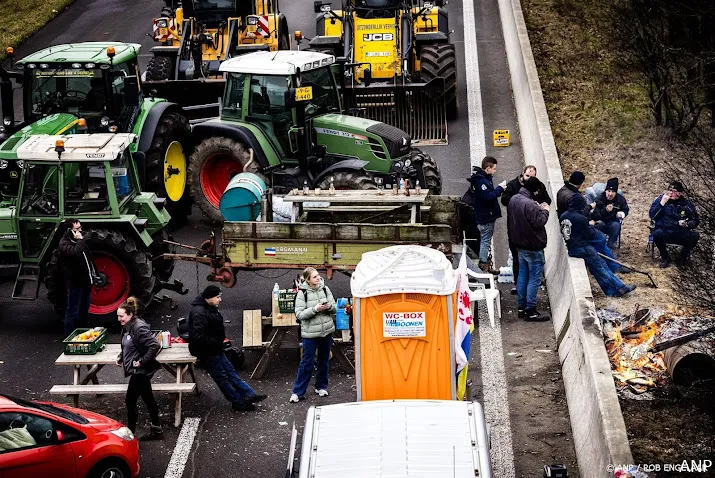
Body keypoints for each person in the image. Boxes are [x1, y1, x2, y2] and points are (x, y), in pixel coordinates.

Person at [189, 285, 267, 411]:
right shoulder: (200, 313)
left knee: (230, 372)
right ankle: (238, 402)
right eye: (217, 297)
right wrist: (215, 341)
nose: (220, 300)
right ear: (209, 298)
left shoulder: (208, 308)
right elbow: (199, 337)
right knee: (222, 377)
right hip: (208, 351)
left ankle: (249, 394)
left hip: (215, 348)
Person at [560, 195, 636, 297]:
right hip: (583, 248)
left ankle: (610, 291)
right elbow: (590, 234)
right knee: (601, 267)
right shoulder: (580, 218)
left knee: (596, 270)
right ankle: (620, 287)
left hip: (572, 248)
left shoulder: (563, 216)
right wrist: (591, 226)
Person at [116, 297, 163, 440]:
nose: (119, 319)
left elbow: (155, 345)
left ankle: (130, 434)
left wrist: (141, 362)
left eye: (121, 316)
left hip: (141, 371)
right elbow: (128, 345)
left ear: (130, 315)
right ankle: (157, 429)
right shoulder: (128, 326)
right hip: (139, 371)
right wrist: (121, 356)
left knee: (130, 401)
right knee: (148, 398)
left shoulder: (138, 328)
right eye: (117, 316)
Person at [501, 165, 552, 294]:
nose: (529, 178)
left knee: (526, 264)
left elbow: (547, 200)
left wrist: (539, 205)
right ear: (522, 174)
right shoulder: (514, 186)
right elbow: (505, 199)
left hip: (528, 231)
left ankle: (522, 289)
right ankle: (520, 286)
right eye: (527, 176)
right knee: (519, 259)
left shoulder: (538, 187)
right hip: (517, 227)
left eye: (532, 176)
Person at [289, 267, 336, 403]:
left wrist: (329, 307)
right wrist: (315, 309)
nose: (318, 279)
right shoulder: (302, 293)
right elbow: (299, 315)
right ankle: (298, 392)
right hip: (310, 334)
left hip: (326, 331)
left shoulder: (325, 289)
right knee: (307, 362)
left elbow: (334, 306)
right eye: (314, 277)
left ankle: (321, 386)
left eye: (318, 276)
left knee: (324, 360)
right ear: (308, 280)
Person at [507, 176, 550, 321]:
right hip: (532, 246)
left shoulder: (514, 199)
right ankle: (530, 309)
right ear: (535, 190)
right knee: (534, 278)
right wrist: (545, 210)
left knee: (522, 276)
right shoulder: (530, 205)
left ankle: (521, 306)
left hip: (519, 245)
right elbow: (539, 222)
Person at [468, 156, 507, 274]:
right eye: (494, 168)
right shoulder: (481, 182)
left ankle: (485, 265)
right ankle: (484, 265)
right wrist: (500, 188)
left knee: (484, 240)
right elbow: (488, 196)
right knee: (485, 241)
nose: (495, 171)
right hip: (486, 217)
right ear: (487, 168)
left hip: (483, 216)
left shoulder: (482, 179)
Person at [58, 219, 97, 336]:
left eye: (80, 228)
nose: (80, 231)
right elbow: (75, 253)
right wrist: (80, 240)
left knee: (83, 310)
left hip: (85, 282)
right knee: (73, 310)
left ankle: (82, 332)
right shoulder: (64, 244)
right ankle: (69, 336)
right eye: (77, 229)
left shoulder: (79, 241)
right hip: (75, 283)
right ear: (69, 230)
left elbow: (87, 258)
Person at [648, 180, 699, 268]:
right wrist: (661, 204)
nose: (671, 193)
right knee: (657, 234)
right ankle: (665, 258)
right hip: (665, 230)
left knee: (695, 236)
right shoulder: (661, 200)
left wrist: (687, 224)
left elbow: (695, 220)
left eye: (674, 191)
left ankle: (681, 258)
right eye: (669, 190)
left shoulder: (687, 204)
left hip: (680, 231)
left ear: (680, 193)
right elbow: (652, 215)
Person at [591, 177, 629, 249]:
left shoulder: (620, 199)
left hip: (612, 222)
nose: (610, 194)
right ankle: (598, 244)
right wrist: (605, 210)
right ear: (605, 191)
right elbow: (594, 216)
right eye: (608, 191)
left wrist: (622, 214)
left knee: (616, 225)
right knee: (598, 225)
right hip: (601, 222)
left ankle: (609, 246)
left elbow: (626, 209)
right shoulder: (600, 198)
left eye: (613, 192)